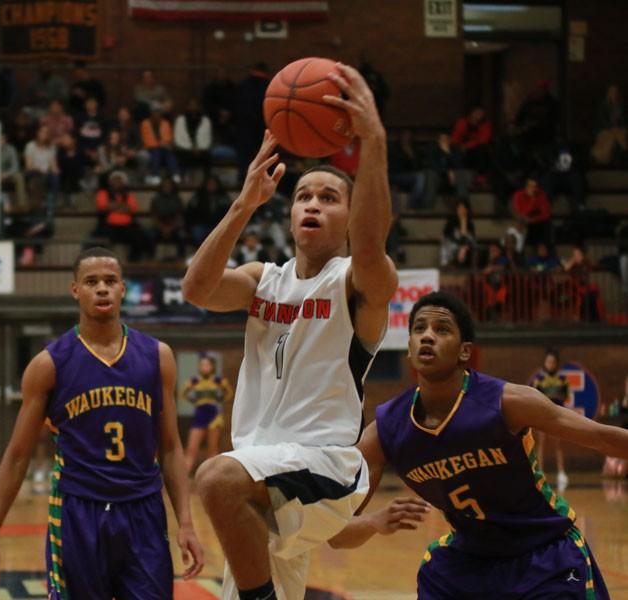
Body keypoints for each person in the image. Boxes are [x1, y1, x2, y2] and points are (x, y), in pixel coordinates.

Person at [182, 63, 397, 600]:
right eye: (304, 196)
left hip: (322, 467)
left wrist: (373, 140)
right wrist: (243, 204)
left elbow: (371, 246)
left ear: (349, 216)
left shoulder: (354, 281)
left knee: (213, 478)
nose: (314, 205)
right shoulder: (263, 281)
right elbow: (198, 290)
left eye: (329, 198)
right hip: (262, 479)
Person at [330, 290, 624, 599]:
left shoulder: (507, 402)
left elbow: (600, 437)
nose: (427, 336)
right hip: (470, 562)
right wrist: (374, 523)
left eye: (441, 329)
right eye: (419, 329)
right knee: (436, 570)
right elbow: (335, 532)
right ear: (409, 348)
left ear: (465, 352)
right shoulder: (386, 430)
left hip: (545, 550)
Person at [0, 247, 204, 599]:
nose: (102, 289)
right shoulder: (49, 364)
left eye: (110, 281)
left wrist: (186, 520)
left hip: (143, 510)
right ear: (75, 290)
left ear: (123, 288)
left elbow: (169, 446)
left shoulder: (158, 357)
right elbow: (17, 456)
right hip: (78, 513)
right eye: (91, 282)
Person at [182, 354, 233, 472]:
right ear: (199, 367)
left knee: (212, 450)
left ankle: (210, 477)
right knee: (191, 449)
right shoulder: (194, 381)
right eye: (202, 365)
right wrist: (194, 401)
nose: (204, 367)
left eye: (207, 365)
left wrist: (219, 401)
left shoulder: (218, 380)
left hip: (213, 416)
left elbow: (229, 393)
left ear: (212, 367)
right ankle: (183, 477)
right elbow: (183, 393)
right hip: (199, 415)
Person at [531, 348, 571, 491]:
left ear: (556, 363)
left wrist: (555, 398)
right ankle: (541, 473)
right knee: (541, 443)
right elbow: (535, 398)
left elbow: (565, 396)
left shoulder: (562, 379)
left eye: (553, 362)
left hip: (558, 414)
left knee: (558, 444)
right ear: (545, 363)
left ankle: (561, 473)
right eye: (548, 361)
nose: (550, 364)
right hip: (542, 415)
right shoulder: (539, 379)